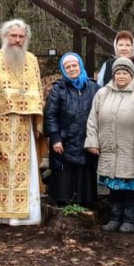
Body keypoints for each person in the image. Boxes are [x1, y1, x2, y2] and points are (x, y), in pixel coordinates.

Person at [0, 19, 44, 226]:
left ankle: (22, 216)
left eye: (21, 36)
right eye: (13, 36)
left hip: (23, 124)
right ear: (4, 36)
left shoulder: (31, 60)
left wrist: (38, 120)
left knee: (23, 169)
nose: (17, 40)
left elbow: (37, 91)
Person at [85, 57, 134, 234]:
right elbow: (93, 119)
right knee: (114, 187)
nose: (121, 76)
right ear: (113, 75)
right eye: (118, 73)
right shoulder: (102, 94)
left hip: (131, 149)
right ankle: (115, 217)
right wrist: (92, 141)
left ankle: (129, 219)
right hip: (108, 148)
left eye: (124, 73)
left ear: (131, 75)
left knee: (130, 186)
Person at [43, 52, 99, 208]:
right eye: (68, 67)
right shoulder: (58, 89)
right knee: (65, 177)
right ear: (63, 69)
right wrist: (55, 138)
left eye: (74, 65)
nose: (72, 69)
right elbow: (50, 115)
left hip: (88, 140)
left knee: (86, 173)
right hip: (64, 141)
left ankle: (86, 206)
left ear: (80, 65)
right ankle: (66, 206)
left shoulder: (93, 87)